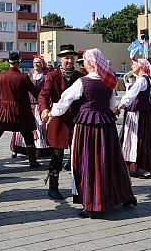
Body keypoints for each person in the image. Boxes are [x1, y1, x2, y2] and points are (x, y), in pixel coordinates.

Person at [50, 48, 135, 218]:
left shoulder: (82, 82)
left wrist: (51, 114)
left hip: (87, 126)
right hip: (106, 125)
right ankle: (122, 195)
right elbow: (112, 106)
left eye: (85, 61)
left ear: (91, 63)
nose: (83, 64)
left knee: (87, 162)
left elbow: (64, 101)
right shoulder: (108, 82)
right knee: (110, 161)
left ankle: (92, 204)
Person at [39, 44, 84, 200]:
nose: (69, 61)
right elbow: (43, 95)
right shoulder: (52, 76)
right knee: (57, 155)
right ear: (60, 59)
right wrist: (44, 110)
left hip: (77, 120)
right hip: (58, 120)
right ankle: (53, 187)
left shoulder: (80, 76)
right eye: (66, 58)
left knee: (78, 154)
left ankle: (79, 186)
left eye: (72, 58)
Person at [0, 51, 40, 170]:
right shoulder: (23, 77)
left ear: (9, 62)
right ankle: (32, 161)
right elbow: (34, 92)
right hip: (21, 110)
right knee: (27, 135)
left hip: (5, 109)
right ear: (19, 63)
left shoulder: (1, 76)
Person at [117, 58, 151, 179]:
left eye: (135, 64)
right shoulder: (140, 79)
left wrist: (121, 105)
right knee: (131, 139)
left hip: (139, 114)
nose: (132, 65)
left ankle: (145, 168)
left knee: (139, 139)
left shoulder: (142, 80)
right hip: (135, 113)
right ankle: (131, 166)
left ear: (141, 66)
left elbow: (131, 94)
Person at [10, 55, 51, 159]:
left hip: (40, 105)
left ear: (42, 64)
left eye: (38, 63)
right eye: (34, 63)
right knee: (23, 128)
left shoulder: (46, 77)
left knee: (40, 127)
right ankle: (19, 148)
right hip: (28, 105)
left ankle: (40, 150)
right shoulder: (28, 75)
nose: (35, 65)